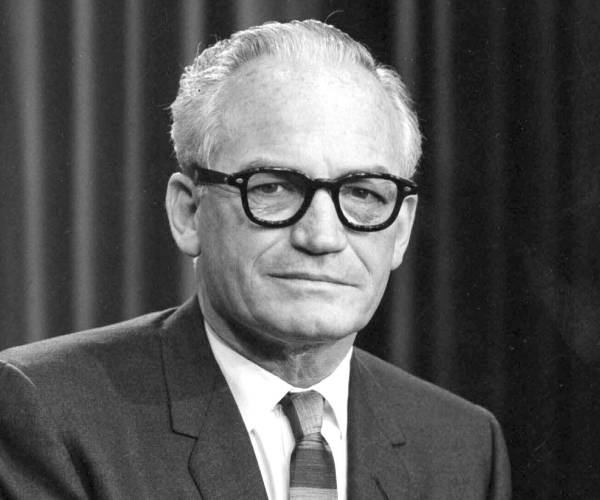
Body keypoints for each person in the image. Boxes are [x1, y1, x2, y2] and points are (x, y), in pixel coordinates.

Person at [0, 20, 511, 500]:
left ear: (401, 229)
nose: (322, 237)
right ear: (188, 213)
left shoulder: (464, 446)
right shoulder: (48, 412)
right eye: (273, 188)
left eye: (362, 193)